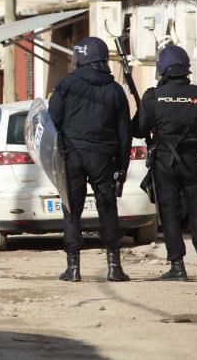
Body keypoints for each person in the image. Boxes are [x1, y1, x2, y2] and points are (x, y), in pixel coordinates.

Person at [48, 37, 132, 283]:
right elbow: (124, 133)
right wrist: (122, 167)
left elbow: (52, 122)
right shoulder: (115, 89)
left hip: (71, 156)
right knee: (107, 208)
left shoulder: (65, 85)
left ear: (80, 58)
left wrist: (59, 154)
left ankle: (73, 268)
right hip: (103, 157)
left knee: (71, 210)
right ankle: (114, 266)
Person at [136, 45, 197, 282]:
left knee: (170, 213)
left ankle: (178, 266)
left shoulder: (153, 97)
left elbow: (138, 129)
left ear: (162, 69)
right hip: (193, 160)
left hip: (164, 162)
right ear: (186, 68)